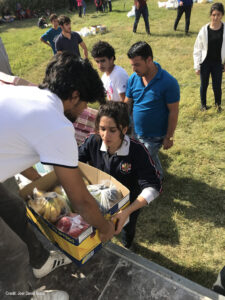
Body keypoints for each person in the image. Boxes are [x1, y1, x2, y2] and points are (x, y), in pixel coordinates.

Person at [0, 52, 115, 294]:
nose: (84, 110)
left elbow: (13, 150)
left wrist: (43, 184)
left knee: (13, 209)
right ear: (74, 96)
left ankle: (41, 263)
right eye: (84, 103)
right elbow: (82, 201)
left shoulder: (26, 92)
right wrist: (104, 228)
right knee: (12, 254)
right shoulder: (56, 124)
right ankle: (20, 295)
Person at [79, 101, 161, 248]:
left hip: (128, 204)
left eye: (112, 130)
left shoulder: (137, 151)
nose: (105, 135)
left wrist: (127, 212)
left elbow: (153, 187)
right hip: (99, 200)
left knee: (127, 228)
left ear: (124, 129)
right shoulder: (93, 141)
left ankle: (127, 244)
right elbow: (76, 161)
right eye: (102, 129)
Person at [125, 41, 180, 180]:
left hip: (154, 135)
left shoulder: (169, 82)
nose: (134, 69)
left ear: (149, 60)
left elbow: (173, 112)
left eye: (137, 64)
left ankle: (156, 179)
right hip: (134, 129)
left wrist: (169, 137)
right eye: (132, 65)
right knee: (138, 156)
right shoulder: (133, 78)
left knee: (145, 156)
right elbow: (127, 103)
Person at [193, 2, 225, 113]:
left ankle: (218, 105)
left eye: (218, 15)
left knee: (217, 86)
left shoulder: (224, 29)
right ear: (210, 15)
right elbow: (197, 48)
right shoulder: (204, 30)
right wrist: (197, 66)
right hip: (205, 62)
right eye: (214, 14)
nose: (216, 17)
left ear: (222, 15)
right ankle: (203, 105)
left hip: (217, 63)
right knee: (204, 84)